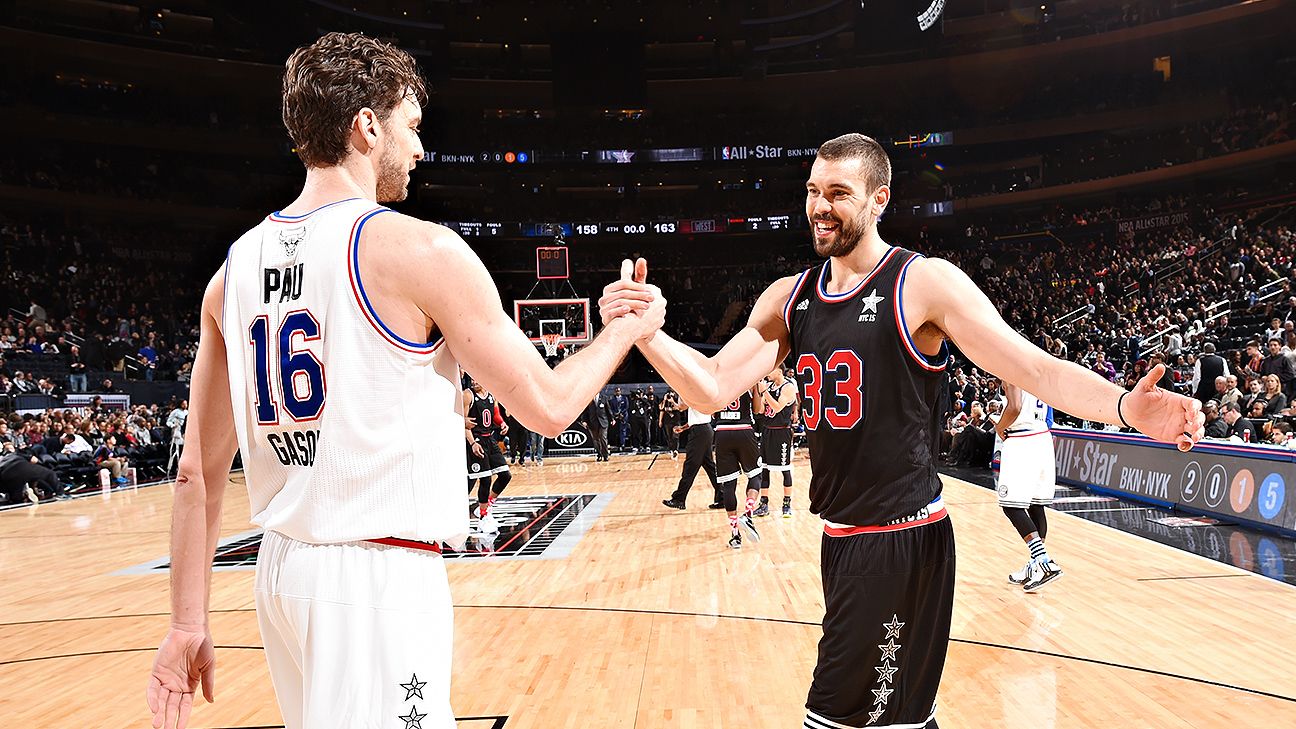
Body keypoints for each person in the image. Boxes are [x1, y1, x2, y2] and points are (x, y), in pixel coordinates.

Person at [146, 32, 664, 729]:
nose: (420, 148)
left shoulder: (231, 270)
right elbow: (549, 405)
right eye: (412, 127)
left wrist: (186, 621)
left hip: (282, 575)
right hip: (376, 578)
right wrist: (624, 333)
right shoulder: (418, 250)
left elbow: (195, 475)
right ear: (367, 126)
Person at [600, 132, 1202, 729]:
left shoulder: (922, 284)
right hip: (842, 540)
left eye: (838, 192)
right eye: (813, 191)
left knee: (837, 720)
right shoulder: (790, 299)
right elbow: (708, 384)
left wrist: (1125, 407)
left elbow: (1036, 368)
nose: (819, 206)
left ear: (879, 198)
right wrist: (646, 333)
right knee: (897, 722)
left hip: (900, 540)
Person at [993, 383, 1061, 592]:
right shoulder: (1036, 369)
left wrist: (999, 426)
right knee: (1035, 505)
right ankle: (1036, 565)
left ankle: (1043, 560)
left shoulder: (1010, 366)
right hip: (1043, 436)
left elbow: (1014, 407)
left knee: (1010, 506)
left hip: (1022, 438)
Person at [713, 386, 765, 548]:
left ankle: (735, 535)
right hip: (743, 429)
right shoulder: (748, 379)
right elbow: (757, 409)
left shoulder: (717, 382)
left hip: (722, 432)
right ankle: (748, 514)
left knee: (729, 485)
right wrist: (758, 390)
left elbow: (712, 412)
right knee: (755, 476)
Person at [464, 376, 510, 532]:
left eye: (477, 379)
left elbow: (495, 415)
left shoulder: (492, 394)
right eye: (472, 380)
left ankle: (486, 505)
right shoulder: (468, 395)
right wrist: (472, 443)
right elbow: (464, 423)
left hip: (490, 439)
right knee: (485, 479)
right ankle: (483, 517)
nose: (474, 382)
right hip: (476, 440)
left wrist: (502, 423)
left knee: (505, 475)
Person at [660, 403, 722, 511]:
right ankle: (723, 498)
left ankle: (679, 499)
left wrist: (677, 401)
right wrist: (683, 428)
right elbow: (696, 419)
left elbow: (681, 407)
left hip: (700, 432)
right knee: (710, 466)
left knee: (690, 466)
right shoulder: (697, 396)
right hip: (704, 430)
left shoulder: (693, 397)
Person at [757, 366, 798, 518]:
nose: (767, 373)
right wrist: (761, 393)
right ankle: (764, 504)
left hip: (782, 432)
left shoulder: (788, 387)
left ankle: (787, 503)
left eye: (770, 371)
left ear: (779, 370)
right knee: (764, 468)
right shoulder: (769, 386)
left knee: (785, 469)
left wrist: (765, 392)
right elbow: (761, 410)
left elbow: (778, 407)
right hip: (767, 430)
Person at [580, 390, 612, 462]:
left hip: (603, 422)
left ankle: (605, 455)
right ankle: (599, 455)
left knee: (603, 437)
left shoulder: (604, 398)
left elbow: (608, 409)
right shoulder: (588, 399)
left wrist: (612, 419)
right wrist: (584, 421)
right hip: (593, 423)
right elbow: (585, 412)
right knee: (596, 440)